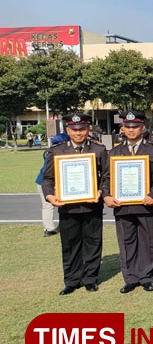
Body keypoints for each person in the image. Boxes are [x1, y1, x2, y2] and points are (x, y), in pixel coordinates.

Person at [42, 113, 108, 295]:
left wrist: (101, 192)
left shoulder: (99, 150)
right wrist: (50, 196)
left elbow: (107, 176)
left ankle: (90, 279)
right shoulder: (56, 151)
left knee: (92, 243)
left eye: (82, 129)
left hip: (91, 205)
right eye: (74, 130)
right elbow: (47, 179)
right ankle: (71, 280)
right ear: (68, 130)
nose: (78, 133)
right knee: (70, 244)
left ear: (88, 130)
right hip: (67, 207)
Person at [102, 111, 153, 294]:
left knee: (148, 241)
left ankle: (146, 277)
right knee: (126, 241)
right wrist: (106, 195)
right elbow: (106, 177)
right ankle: (130, 278)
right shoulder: (114, 152)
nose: (131, 130)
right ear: (122, 128)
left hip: (146, 204)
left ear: (142, 128)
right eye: (128, 127)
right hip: (122, 206)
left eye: (135, 126)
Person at [36, 132, 69, 237]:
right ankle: (50, 228)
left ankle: (48, 228)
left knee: (47, 206)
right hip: (48, 182)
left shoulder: (48, 151)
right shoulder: (57, 152)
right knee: (50, 205)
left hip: (42, 181)